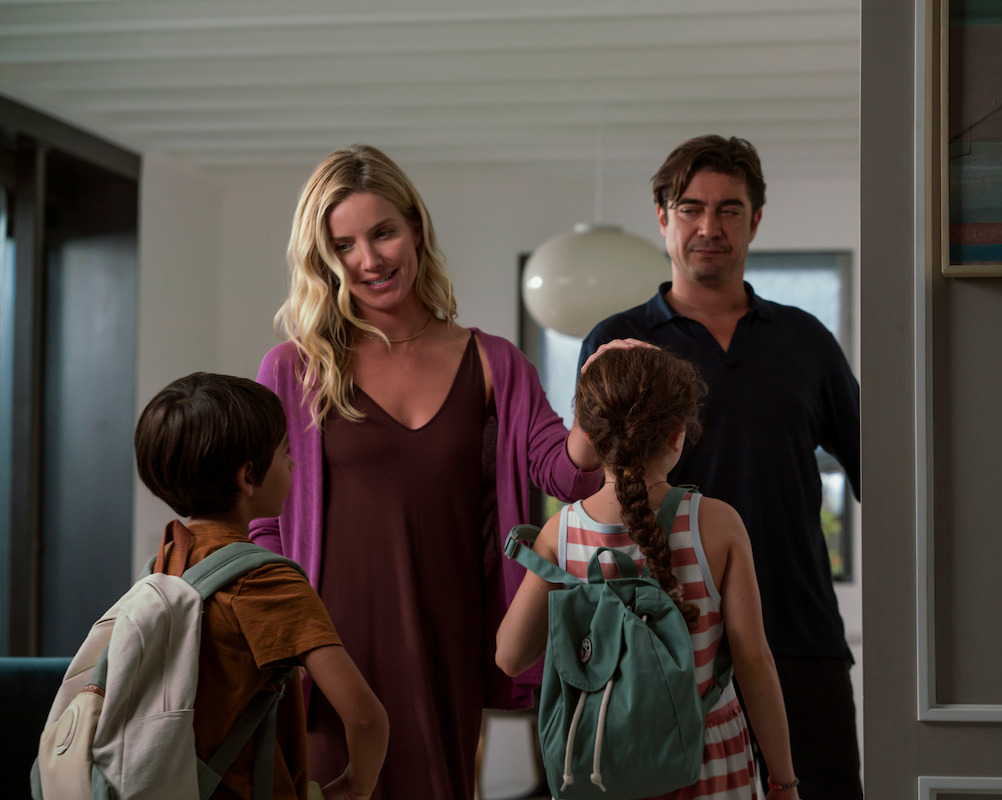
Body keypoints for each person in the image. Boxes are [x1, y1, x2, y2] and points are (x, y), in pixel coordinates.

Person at [250, 144, 604, 800]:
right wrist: (294, 643)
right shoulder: (294, 368)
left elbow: (570, 476)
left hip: (449, 639)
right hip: (330, 648)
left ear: (415, 227)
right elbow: (264, 524)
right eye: (344, 245)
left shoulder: (495, 363)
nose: (369, 259)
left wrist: (608, 400)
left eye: (383, 232)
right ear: (323, 259)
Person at [578, 135, 863, 799]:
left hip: (797, 627)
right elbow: (586, 479)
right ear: (662, 217)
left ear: (755, 220)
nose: (709, 227)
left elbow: (883, 472)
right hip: (664, 633)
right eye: (690, 208)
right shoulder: (620, 342)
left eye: (730, 210)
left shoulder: (805, 341)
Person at [496, 346, 802, 800]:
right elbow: (754, 662)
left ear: (593, 436)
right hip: (709, 757)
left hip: (603, 759)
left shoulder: (561, 533)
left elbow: (510, 657)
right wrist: (784, 781)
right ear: (678, 435)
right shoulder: (716, 524)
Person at [134, 372, 388, 800]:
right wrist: (354, 786)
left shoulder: (163, 562)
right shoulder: (267, 581)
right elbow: (365, 718)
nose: (292, 464)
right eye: (286, 453)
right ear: (248, 477)